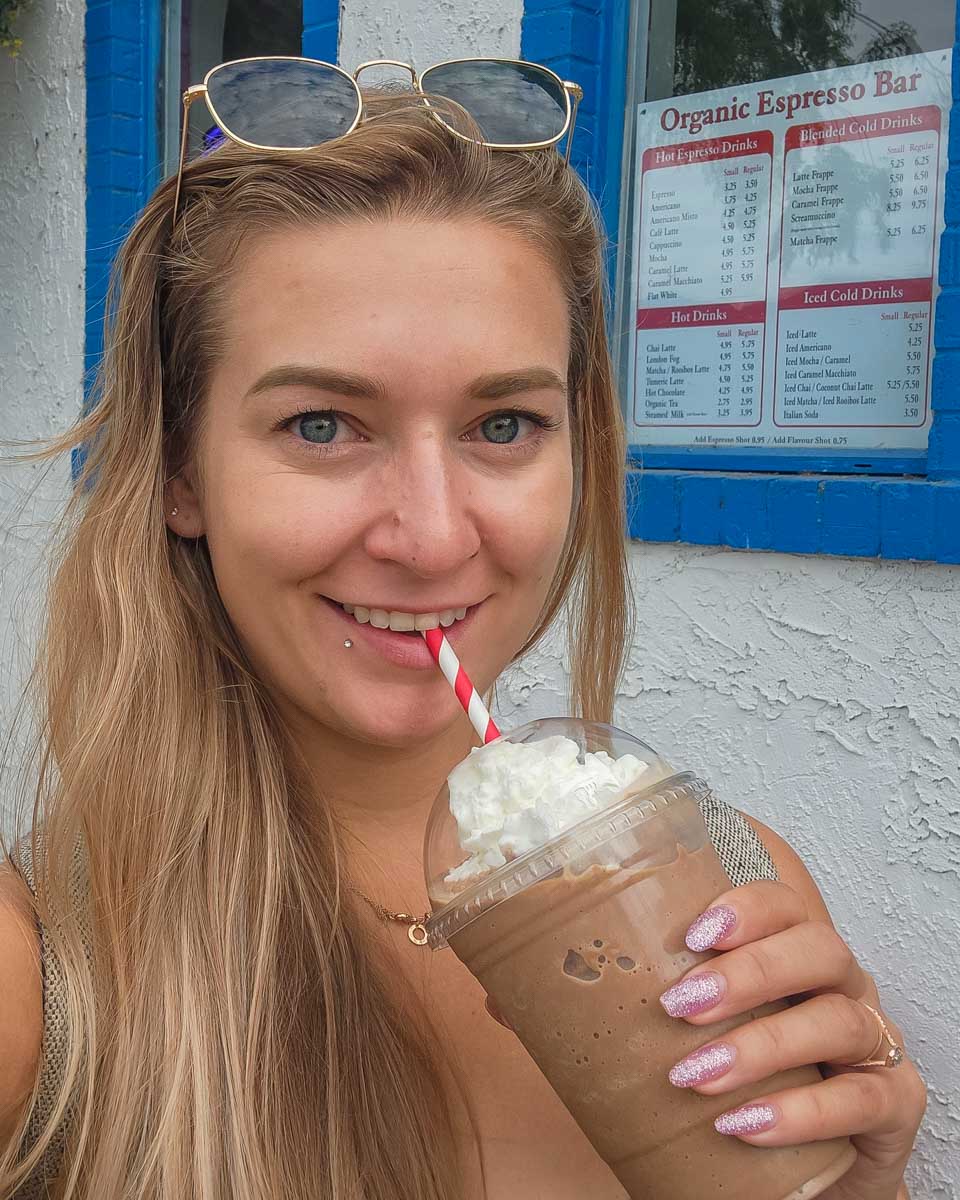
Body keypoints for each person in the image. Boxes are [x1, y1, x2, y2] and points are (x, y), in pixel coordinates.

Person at [0, 59, 926, 1200]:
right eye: (324, 423)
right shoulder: (39, 981)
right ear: (182, 473)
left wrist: (858, 1188)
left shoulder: (728, 895)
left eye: (503, 423)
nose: (433, 539)